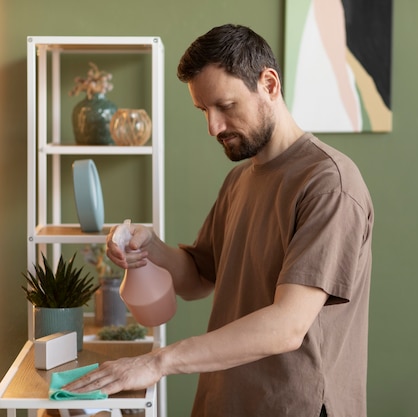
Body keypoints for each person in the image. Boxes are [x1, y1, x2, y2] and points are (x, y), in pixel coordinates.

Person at [64, 24, 374, 417]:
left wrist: (157, 362)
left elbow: (287, 325)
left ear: (269, 84)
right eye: (203, 111)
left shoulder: (330, 184)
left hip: (293, 406)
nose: (213, 127)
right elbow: (198, 279)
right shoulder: (240, 179)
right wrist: (152, 247)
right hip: (225, 400)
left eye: (225, 106)